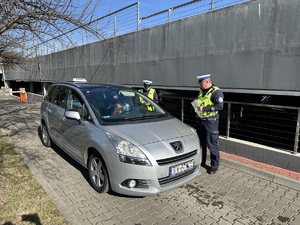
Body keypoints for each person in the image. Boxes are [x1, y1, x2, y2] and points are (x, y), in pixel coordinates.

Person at [194, 74, 224, 174]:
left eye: (201, 83)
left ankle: (214, 166)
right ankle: (202, 161)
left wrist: (205, 108)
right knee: (201, 143)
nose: (200, 85)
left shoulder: (216, 92)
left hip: (211, 122)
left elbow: (220, 106)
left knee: (212, 144)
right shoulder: (201, 92)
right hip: (201, 120)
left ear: (206, 82)